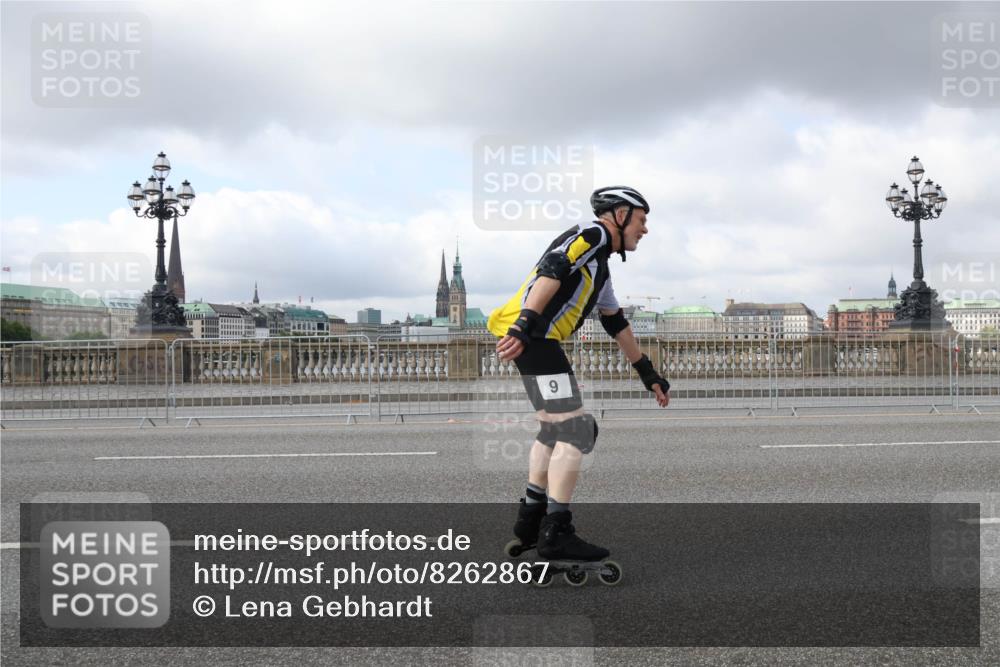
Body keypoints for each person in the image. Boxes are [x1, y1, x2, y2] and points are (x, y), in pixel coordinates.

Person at [487, 186, 671, 563]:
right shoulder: (594, 234)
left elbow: (615, 322)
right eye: (641, 220)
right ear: (619, 215)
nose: (645, 229)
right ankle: (556, 531)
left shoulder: (600, 267)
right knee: (578, 429)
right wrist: (524, 325)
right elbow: (553, 268)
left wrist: (647, 372)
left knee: (554, 430)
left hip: (536, 341)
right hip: (536, 340)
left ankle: (530, 520)